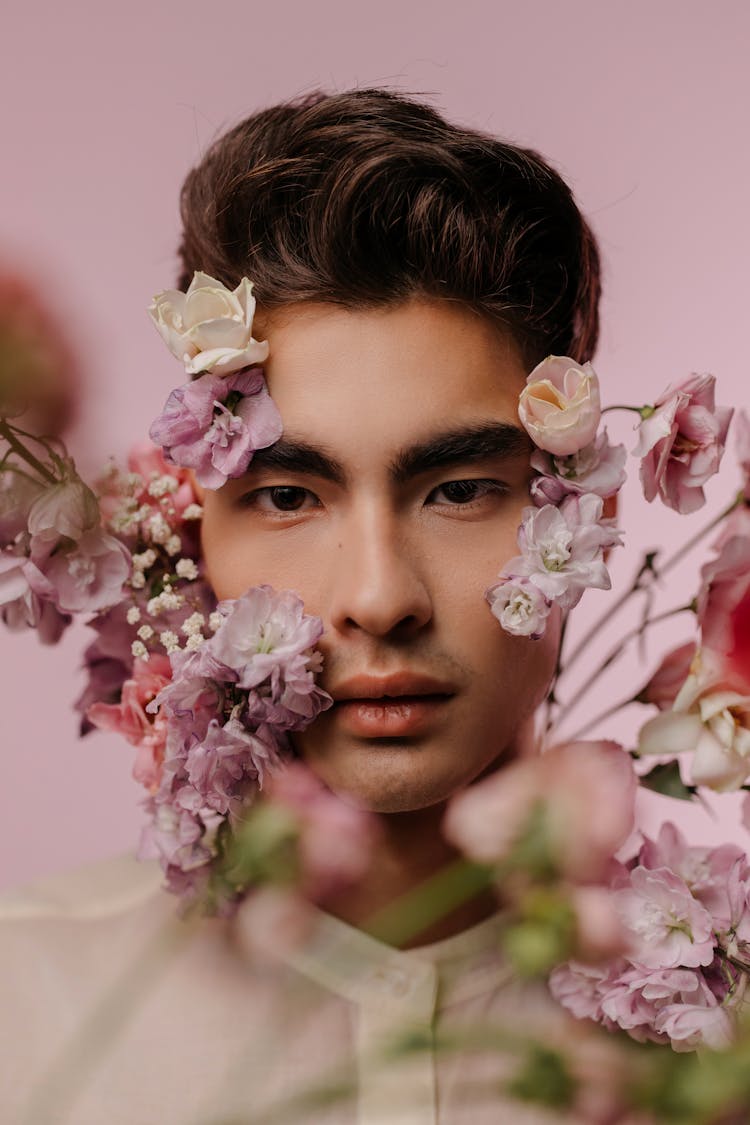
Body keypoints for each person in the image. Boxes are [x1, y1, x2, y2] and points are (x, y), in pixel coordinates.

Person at [0, 90, 620, 1124]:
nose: (379, 598)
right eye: (288, 496)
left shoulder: (715, 1043)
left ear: (580, 506)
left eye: (460, 490)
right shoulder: (25, 1016)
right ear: (185, 534)